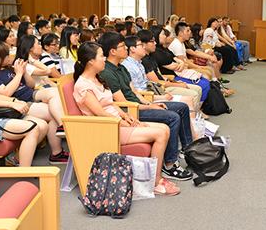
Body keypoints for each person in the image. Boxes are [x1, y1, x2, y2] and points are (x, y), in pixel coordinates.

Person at [73, 41, 180, 196]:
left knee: (165, 128)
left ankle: (156, 177)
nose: (104, 59)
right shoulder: (83, 86)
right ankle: (156, 182)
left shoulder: (97, 78)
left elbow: (110, 103)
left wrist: (125, 115)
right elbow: (101, 114)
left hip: (117, 122)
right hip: (106, 128)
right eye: (101, 56)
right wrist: (125, 123)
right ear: (90, 61)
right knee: (161, 133)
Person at [98, 32, 193, 181]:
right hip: (130, 111)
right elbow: (123, 103)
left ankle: (188, 149)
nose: (126, 49)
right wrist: (149, 108)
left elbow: (134, 92)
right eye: (123, 46)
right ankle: (169, 164)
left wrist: (150, 104)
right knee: (173, 118)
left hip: (138, 105)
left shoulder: (121, 67)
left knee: (182, 107)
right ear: (112, 51)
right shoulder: (108, 72)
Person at [0, 41, 68, 162]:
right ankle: (57, 153)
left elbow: (30, 85)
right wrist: (19, 74)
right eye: (6, 55)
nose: (9, 58)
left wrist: (24, 72)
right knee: (52, 113)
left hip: (30, 94)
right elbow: (5, 93)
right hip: (19, 101)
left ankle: (63, 127)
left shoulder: (8, 68)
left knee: (56, 93)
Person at [122, 35, 199, 138]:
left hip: (150, 95)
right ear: (133, 49)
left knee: (186, 103)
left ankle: (193, 135)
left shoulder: (139, 63)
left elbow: (148, 85)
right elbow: (136, 92)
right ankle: (191, 137)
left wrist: (161, 92)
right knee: (183, 106)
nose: (143, 47)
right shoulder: (128, 67)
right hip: (145, 100)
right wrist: (159, 98)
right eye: (141, 45)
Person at [137, 29, 205, 115]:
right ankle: (193, 119)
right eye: (152, 41)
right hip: (159, 88)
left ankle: (195, 115)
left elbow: (160, 76)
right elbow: (156, 82)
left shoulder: (151, 57)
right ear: (143, 44)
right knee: (193, 94)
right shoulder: (144, 60)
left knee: (198, 88)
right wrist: (177, 85)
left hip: (164, 84)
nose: (155, 43)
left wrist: (175, 82)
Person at [148, 25, 211, 101]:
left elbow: (176, 59)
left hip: (177, 73)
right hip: (173, 75)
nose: (165, 36)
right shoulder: (156, 52)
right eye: (163, 34)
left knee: (205, 80)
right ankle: (200, 107)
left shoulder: (163, 48)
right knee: (203, 84)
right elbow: (174, 66)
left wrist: (180, 64)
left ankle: (202, 106)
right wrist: (180, 64)